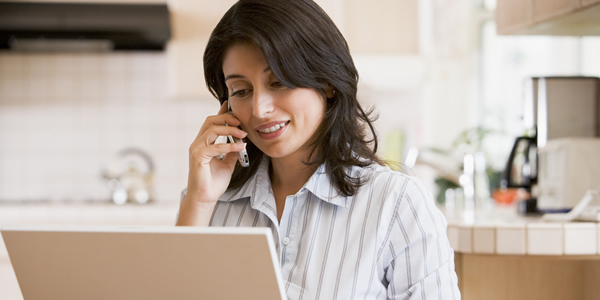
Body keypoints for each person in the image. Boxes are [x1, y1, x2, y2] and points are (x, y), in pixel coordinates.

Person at [176, 0, 461, 299]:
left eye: (279, 82)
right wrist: (199, 201)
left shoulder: (397, 203)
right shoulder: (210, 199)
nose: (259, 109)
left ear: (326, 83)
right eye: (242, 91)